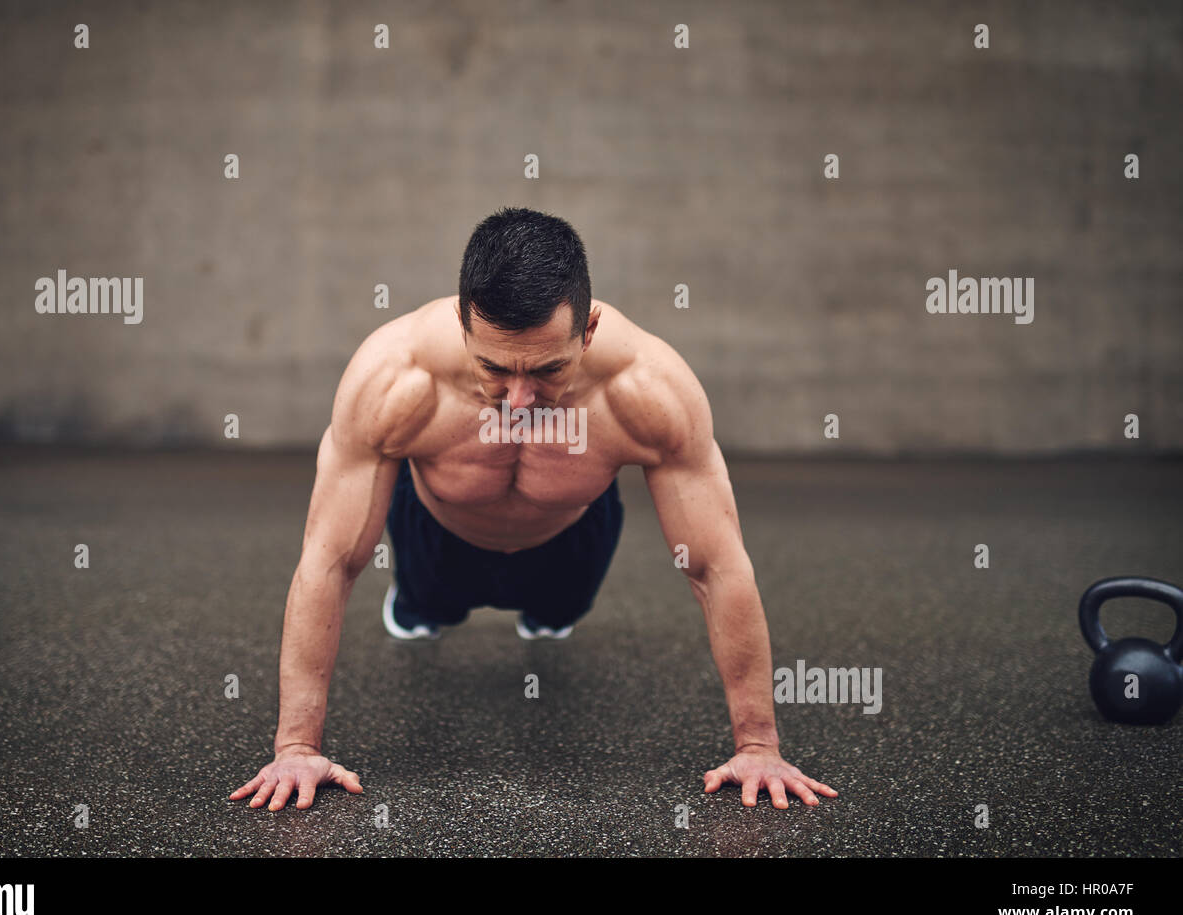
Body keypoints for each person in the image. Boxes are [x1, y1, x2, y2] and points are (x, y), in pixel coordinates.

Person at [230, 207, 837, 812]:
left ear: (590, 329)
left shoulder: (646, 389)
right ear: (461, 322)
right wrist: (297, 747)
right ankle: (415, 602)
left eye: (549, 369)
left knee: (554, 618)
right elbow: (328, 561)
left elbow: (716, 565)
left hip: (571, 534)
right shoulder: (395, 378)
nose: (519, 399)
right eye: (494, 366)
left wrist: (758, 744)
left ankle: (547, 603)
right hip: (436, 534)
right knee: (423, 611)